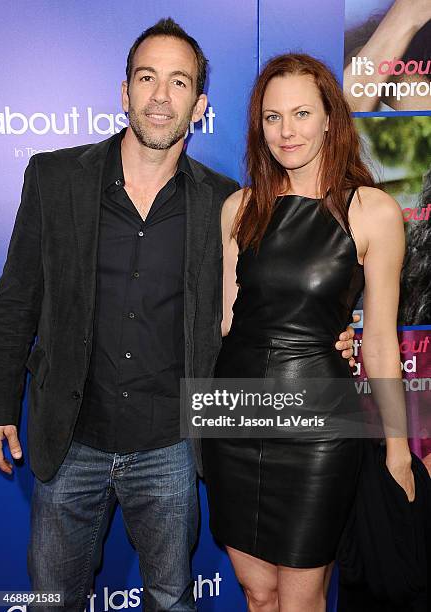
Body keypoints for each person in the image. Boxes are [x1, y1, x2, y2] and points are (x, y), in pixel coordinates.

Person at [0, 20, 357, 612]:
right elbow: (14, 300)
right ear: (124, 92)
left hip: (173, 445)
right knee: (51, 599)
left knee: (172, 601)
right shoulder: (55, 177)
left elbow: (265, 308)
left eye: (179, 82)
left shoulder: (230, 203)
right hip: (71, 439)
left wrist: (332, 337)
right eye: (147, 78)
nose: (161, 96)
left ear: (200, 103)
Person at [202, 53, 415, 612]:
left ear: (329, 118)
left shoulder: (373, 211)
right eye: (272, 117)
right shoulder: (238, 209)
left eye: (301, 113)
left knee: (301, 599)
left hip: (320, 423)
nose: (287, 130)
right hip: (233, 413)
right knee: (256, 591)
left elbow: (380, 342)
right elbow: (228, 323)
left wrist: (396, 448)